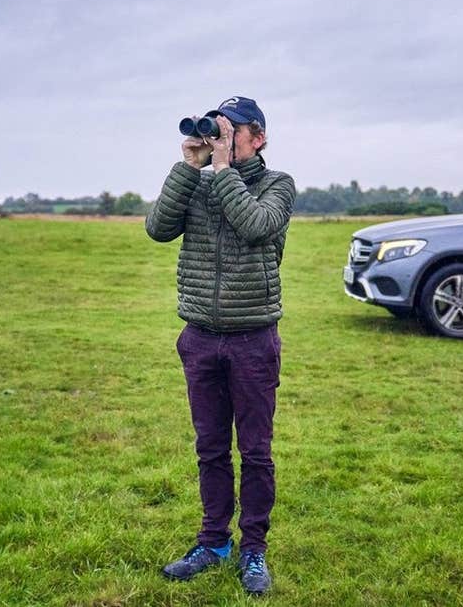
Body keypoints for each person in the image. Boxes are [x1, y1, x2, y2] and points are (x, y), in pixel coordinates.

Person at [145, 96, 296, 595]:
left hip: (253, 338)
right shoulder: (201, 183)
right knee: (210, 448)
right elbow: (158, 229)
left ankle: (253, 549)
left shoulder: (278, 185)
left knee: (255, 451)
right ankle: (213, 542)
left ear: (259, 137)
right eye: (216, 131)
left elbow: (255, 226)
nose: (220, 139)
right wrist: (189, 166)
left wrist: (225, 167)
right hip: (200, 338)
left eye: (232, 131)